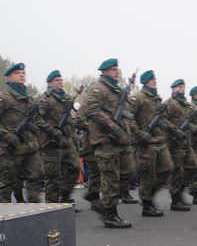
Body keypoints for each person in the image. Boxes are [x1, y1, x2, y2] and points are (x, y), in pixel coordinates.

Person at [85, 58, 136, 228]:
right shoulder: (98, 88)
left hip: (121, 140)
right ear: (104, 71)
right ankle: (110, 214)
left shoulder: (116, 90)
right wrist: (112, 126)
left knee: (129, 172)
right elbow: (91, 110)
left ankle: (108, 200)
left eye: (117, 69)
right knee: (110, 177)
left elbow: (125, 112)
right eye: (113, 69)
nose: (117, 71)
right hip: (105, 140)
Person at [130, 70, 176, 217]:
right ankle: (147, 205)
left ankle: (149, 196)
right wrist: (139, 133)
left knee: (167, 169)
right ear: (146, 81)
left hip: (159, 140)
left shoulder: (157, 98)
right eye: (152, 79)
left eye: (155, 78)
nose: (155, 80)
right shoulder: (138, 97)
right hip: (145, 142)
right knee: (148, 174)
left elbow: (161, 120)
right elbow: (129, 119)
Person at [0, 62, 45, 203]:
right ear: (8, 77)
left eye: (23, 73)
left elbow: (34, 119)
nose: (21, 75)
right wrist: (6, 135)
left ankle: (32, 207)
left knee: (38, 174)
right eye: (17, 73)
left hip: (30, 146)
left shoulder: (28, 98)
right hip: (10, 148)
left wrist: (35, 127)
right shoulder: (4, 97)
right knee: (6, 184)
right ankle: (3, 218)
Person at [37, 70, 81, 204]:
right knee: (53, 176)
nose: (60, 82)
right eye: (57, 80)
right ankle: (52, 205)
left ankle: (65, 194)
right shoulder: (44, 99)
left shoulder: (67, 98)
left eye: (61, 80)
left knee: (74, 167)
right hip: (51, 143)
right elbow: (37, 119)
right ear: (49, 83)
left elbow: (69, 118)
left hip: (66, 141)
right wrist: (53, 131)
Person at [164, 79, 197, 212]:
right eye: (179, 87)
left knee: (194, 168)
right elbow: (164, 121)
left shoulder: (186, 105)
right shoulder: (169, 103)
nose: (182, 89)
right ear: (173, 89)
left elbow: (188, 120)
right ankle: (176, 199)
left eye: (183, 87)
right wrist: (175, 131)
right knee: (177, 171)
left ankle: (181, 190)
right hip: (175, 142)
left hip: (187, 142)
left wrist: (193, 127)